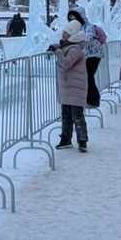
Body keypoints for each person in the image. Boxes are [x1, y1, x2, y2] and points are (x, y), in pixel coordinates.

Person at [50, 19, 89, 152]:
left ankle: (82, 140)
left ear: (73, 35)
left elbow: (66, 63)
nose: (63, 35)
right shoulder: (68, 46)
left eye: (66, 33)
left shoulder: (76, 48)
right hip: (67, 87)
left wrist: (58, 51)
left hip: (75, 87)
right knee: (66, 114)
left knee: (77, 115)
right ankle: (65, 139)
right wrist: (57, 47)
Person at [70, 5, 106, 108]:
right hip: (88, 55)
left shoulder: (88, 27)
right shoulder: (79, 27)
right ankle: (90, 98)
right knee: (87, 76)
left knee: (88, 76)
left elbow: (87, 39)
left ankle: (93, 99)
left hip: (93, 54)